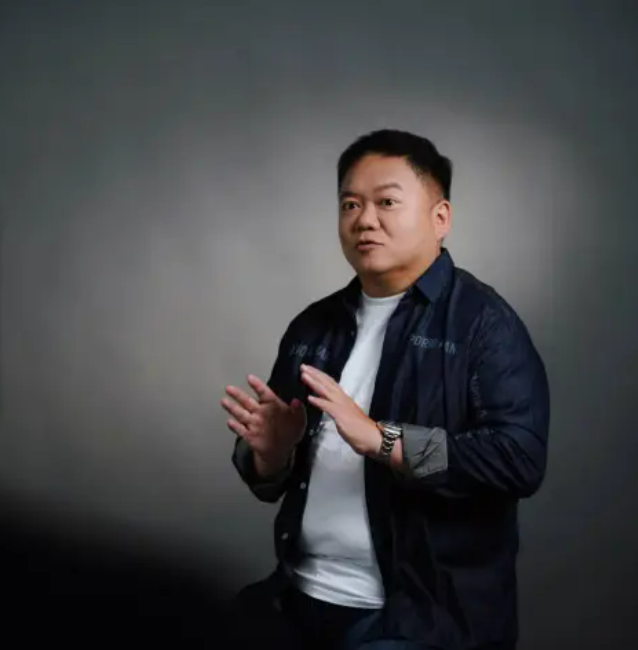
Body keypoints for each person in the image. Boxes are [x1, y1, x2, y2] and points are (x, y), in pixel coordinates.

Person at [222, 129, 550, 650]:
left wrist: (384, 439)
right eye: (350, 204)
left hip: (423, 616)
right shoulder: (314, 326)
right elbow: (265, 476)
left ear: (440, 218)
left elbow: (518, 458)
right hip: (300, 594)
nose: (364, 219)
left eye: (387, 202)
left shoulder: (484, 324)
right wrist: (273, 456)